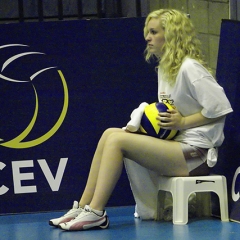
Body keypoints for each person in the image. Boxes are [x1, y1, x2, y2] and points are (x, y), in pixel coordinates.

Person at [49, 9, 233, 231]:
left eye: (154, 32)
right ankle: (84, 206)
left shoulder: (189, 68)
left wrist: (183, 123)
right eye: (148, 32)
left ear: (171, 35)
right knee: (110, 133)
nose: (148, 37)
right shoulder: (165, 68)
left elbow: (221, 107)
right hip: (179, 147)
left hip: (198, 155)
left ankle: (97, 212)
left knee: (118, 142)